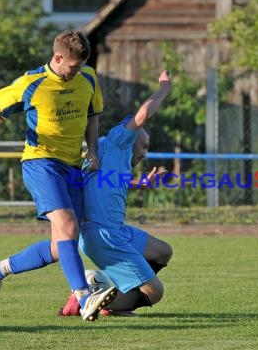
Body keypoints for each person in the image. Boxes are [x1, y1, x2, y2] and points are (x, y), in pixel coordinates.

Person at [0, 30, 117, 321]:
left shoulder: (89, 78)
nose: (77, 71)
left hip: (72, 167)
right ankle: (83, 297)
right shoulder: (31, 83)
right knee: (67, 225)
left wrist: (93, 149)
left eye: (81, 66)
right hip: (41, 162)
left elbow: (93, 115)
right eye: (72, 66)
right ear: (57, 58)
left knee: (61, 246)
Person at [58, 70, 173, 317]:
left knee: (162, 251)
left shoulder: (108, 156)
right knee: (155, 292)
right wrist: (164, 88)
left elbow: (104, 183)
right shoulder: (118, 140)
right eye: (144, 146)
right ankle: (86, 304)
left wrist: (138, 184)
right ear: (130, 137)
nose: (144, 153)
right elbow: (142, 115)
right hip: (103, 235)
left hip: (115, 231)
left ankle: (114, 296)